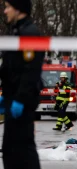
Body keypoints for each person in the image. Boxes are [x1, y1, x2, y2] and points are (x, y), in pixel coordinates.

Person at [0, 0, 43, 168]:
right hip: (13, 98)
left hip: (22, 103)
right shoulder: (16, 32)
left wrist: (20, 99)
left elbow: (30, 71)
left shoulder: (30, 33)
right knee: (10, 150)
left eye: (8, 7)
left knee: (24, 150)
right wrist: (5, 95)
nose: (5, 11)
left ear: (18, 8)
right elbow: (9, 67)